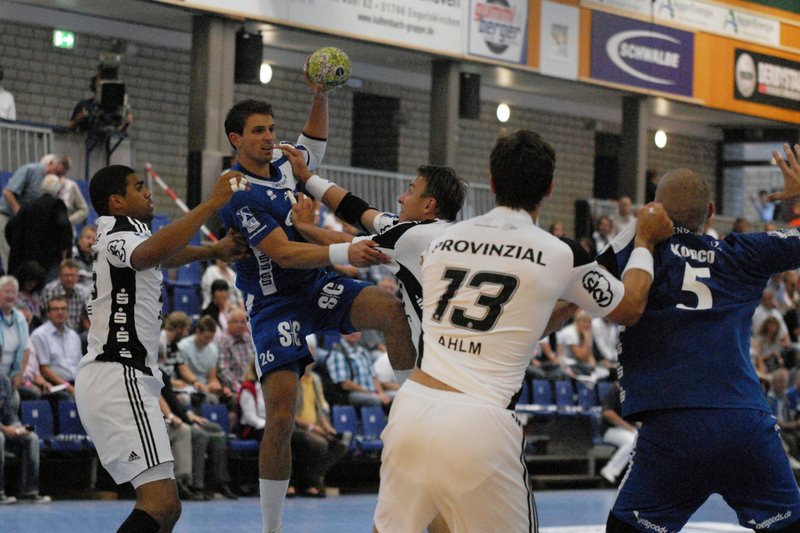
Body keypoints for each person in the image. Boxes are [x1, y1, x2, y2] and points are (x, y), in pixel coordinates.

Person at [372, 129, 673, 533]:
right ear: (549, 189)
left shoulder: (443, 239)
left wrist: (564, 308)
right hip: (481, 422)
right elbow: (630, 308)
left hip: (412, 408)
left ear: (492, 182)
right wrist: (645, 242)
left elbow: (505, 328)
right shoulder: (560, 252)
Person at [219, 93, 416, 533]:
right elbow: (283, 253)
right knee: (281, 417)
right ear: (236, 139)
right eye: (258, 131)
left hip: (315, 284)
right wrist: (345, 251)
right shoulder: (236, 192)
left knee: (392, 310)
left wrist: (320, 92)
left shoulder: (285, 162)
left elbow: (315, 139)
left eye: (272, 128)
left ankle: (415, 409)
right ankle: (271, 526)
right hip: (274, 301)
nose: (269, 137)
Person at [598, 152, 800, 532]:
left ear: (655, 210)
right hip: (745, 422)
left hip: (673, 428)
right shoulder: (743, 253)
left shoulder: (640, 252)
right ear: (710, 212)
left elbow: (585, 281)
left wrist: (642, 234)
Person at [74, 164, 248, 533]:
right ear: (117, 202)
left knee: (167, 509)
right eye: (139, 187)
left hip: (128, 377)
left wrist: (213, 250)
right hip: (118, 375)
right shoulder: (116, 234)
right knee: (160, 504)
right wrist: (210, 204)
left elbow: (161, 256)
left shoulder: (129, 235)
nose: (148, 192)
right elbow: (151, 253)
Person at [0, 155, 70, 273]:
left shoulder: (49, 183)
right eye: (57, 172)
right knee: (10, 256)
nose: (57, 176)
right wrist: (20, 214)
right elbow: (7, 192)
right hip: (7, 215)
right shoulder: (29, 170)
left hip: (24, 222)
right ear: (50, 164)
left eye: (60, 175)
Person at [292, 362, 347, 497]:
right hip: (295, 428)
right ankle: (310, 484)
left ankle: (311, 479)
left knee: (340, 444)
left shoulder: (315, 380)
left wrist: (328, 428)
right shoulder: (292, 379)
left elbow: (320, 409)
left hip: (315, 427)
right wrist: (312, 428)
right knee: (319, 443)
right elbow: (290, 414)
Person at [0, 374, 49, 504]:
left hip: (5, 427)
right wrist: (5, 429)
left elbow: (10, 413)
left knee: (31, 438)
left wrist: (17, 428)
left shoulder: (4, 381)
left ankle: (29, 492)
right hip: (2, 430)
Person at [30, 296, 82, 397]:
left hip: (77, 383)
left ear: (67, 312)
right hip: (55, 385)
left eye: (63, 309)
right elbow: (44, 370)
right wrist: (69, 387)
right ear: (48, 313)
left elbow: (80, 365)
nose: (60, 312)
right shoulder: (39, 335)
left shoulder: (74, 336)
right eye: (55, 309)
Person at [325, 332, 393, 409]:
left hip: (372, 392)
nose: (353, 333)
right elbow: (345, 384)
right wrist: (372, 394)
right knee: (376, 400)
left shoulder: (364, 352)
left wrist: (381, 393)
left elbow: (374, 377)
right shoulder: (337, 353)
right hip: (350, 394)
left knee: (398, 396)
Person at [177, 316, 223, 405]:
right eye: (206, 337)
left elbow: (212, 376)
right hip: (188, 385)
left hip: (205, 387)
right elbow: (183, 372)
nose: (208, 341)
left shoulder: (213, 349)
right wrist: (196, 383)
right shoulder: (183, 346)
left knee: (219, 398)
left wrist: (215, 384)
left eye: (211, 338)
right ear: (198, 331)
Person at [216, 307, 255, 409]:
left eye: (242, 322)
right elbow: (223, 370)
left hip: (252, 384)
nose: (239, 325)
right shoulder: (223, 341)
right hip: (234, 387)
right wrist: (240, 388)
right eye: (235, 322)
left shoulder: (249, 338)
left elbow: (255, 364)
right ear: (228, 323)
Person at [598, 382, 636, 485]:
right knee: (632, 441)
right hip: (610, 430)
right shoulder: (614, 391)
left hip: (628, 430)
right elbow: (607, 413)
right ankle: (609, 470)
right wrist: (628, 427)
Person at [41, 259, 90, 332]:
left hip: (76, 334)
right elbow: (45, 317)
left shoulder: (82, 292)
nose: (69, 279)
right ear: (60, 276)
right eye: (66, 275)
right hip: (53, 332)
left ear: (78, 277)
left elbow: (85, 317)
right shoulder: (50, 291)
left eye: (73, 275)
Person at [0, 276, 30, 393]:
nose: (11, 296)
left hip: (11, 375)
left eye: (14, 292)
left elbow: (26, 350)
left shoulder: (20, 318)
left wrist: (19, 374)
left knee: (14, 400)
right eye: (7, 292)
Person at [73, 224, 97, 289]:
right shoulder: (72, 254)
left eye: (94, 240)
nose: (91, 242)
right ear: (80, 239)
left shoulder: (96, 258)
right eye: (88, 238)